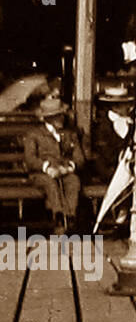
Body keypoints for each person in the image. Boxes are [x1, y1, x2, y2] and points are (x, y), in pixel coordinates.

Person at [22, 88, 84, 233]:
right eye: (56, 117)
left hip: (63, 170)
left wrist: (69, 167)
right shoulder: (34, 134)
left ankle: (70, 217)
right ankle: (59, 217)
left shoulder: (69, 134)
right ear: (47, 118)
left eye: (61, 115)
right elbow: (30, 159)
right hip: (41, 173)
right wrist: (46, 168)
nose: (61, 119)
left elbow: (79, 157)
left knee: (73, 181)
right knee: (50, 183)